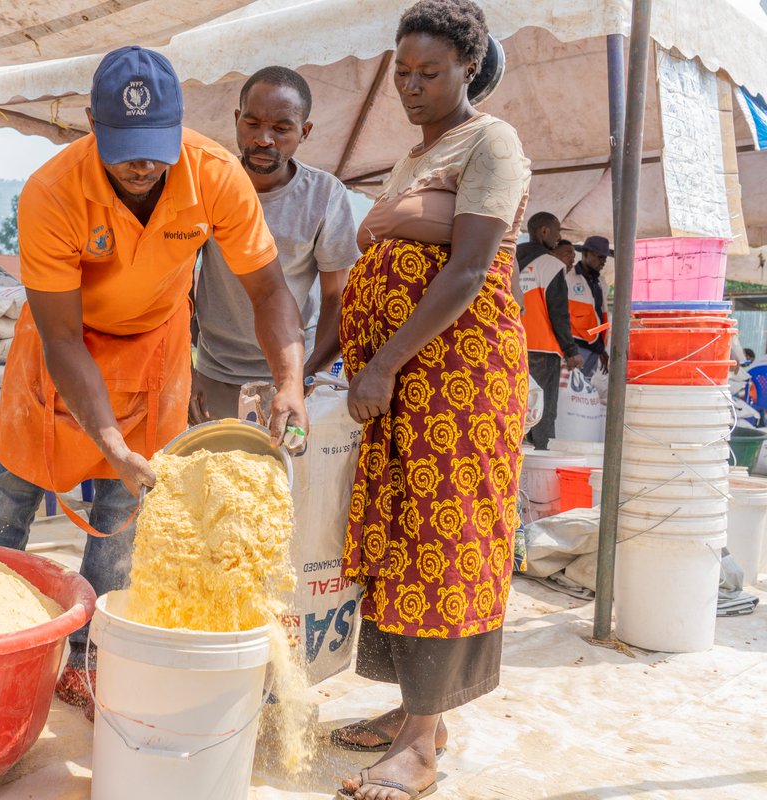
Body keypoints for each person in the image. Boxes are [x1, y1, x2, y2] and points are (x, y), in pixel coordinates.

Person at [0, 45, 308, 718]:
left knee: (126, 511)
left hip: (154, 347)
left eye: (156, 146)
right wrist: (104, 437)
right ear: (92, 122)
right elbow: (64, 337)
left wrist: (290, 380)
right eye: (124, 147)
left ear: (181, 125)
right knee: (13, 488)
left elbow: (269, 291)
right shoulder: (52, 191)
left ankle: (92, 661)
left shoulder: (214, 175)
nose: (142, 164)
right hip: (64, 348)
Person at [328, 1, 531, 798]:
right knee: (394, 535)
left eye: (431, 73)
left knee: (446, 541)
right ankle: (417, 710)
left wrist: (380, 368)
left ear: (469, 70)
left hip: (459, 383)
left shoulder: (492, 140)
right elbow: (368, 279)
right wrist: (307, 367)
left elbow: (468, 270)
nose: (411, 87)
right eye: (403, 74)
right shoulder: (411, 157)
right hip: (402, 383)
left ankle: (418, 747)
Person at [190, 67, 359, 420]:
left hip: (294, 371)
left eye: (282, 128)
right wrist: (185, 368)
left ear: (304, 132)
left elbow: (337, 297)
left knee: (287, 474)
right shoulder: (208, 184)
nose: (264, 139)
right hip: (215, 373)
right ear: (237, 120)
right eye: (252, 124)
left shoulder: (325, 195)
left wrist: (302, 376)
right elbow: (177, 281)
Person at [518, 211, 582, 449]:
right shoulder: (552, 265)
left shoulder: (512, 259)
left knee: (518, 405)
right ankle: (540, 459)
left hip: (514, 344)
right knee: (543, 410)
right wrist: (570, 349)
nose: (559, 237)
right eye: (557, 232)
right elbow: (559, 313)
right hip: (542, 350)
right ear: (543, 231)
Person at [567, 235, 612, 376]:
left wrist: (601, 349)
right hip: (576, 347)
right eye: (600, 257)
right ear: (586, 254)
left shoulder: (601, 282)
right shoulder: (568, 278)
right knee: (572, 391)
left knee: (585, 390)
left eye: (605, 258)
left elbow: (600, 318)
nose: (603, 262)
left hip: (595, 347)